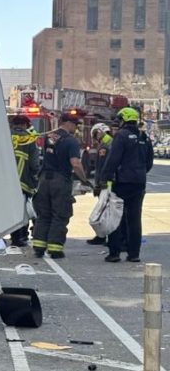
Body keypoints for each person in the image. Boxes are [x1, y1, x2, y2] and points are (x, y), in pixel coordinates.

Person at [32, 113, 92, 259]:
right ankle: (55, 249)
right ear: (68, 123)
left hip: (44, 179)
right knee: (60, 214)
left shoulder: (49, 137)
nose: (76, 128)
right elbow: (75, 164)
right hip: (60, 180)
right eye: (75, 125)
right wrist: (84, 179)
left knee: (44, 213)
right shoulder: (71, 141)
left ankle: (39, 246)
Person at [101, 107, 154, 263]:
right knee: (134, 219)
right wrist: (140, 172)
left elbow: (113, 159)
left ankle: (114, 253)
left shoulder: (121, 136)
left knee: (116, 217)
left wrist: (105, 177)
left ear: (123, 120)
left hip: (122, 182)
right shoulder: (144, 136)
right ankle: (134, 254)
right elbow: (149, 161)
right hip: (139, 183)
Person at [9, 115, 40, 247]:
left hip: (5, 180)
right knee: (22, 210)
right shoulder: (29, 139)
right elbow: (34, 163)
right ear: (24, 125)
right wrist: (35, 176)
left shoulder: (5, 136)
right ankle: (20, 237)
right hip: (23, 180)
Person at [85, 122, 113, 246]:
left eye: (95, 134)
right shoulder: (109, 142)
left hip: (106, 185)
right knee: (105, 211)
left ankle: (105, 237)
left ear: (100, 132)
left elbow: (102, 167)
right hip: (107, 183)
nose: (95, 138)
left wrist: (99, 184)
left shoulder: (105, 146)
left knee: (105, 212)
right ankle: (103, 236)